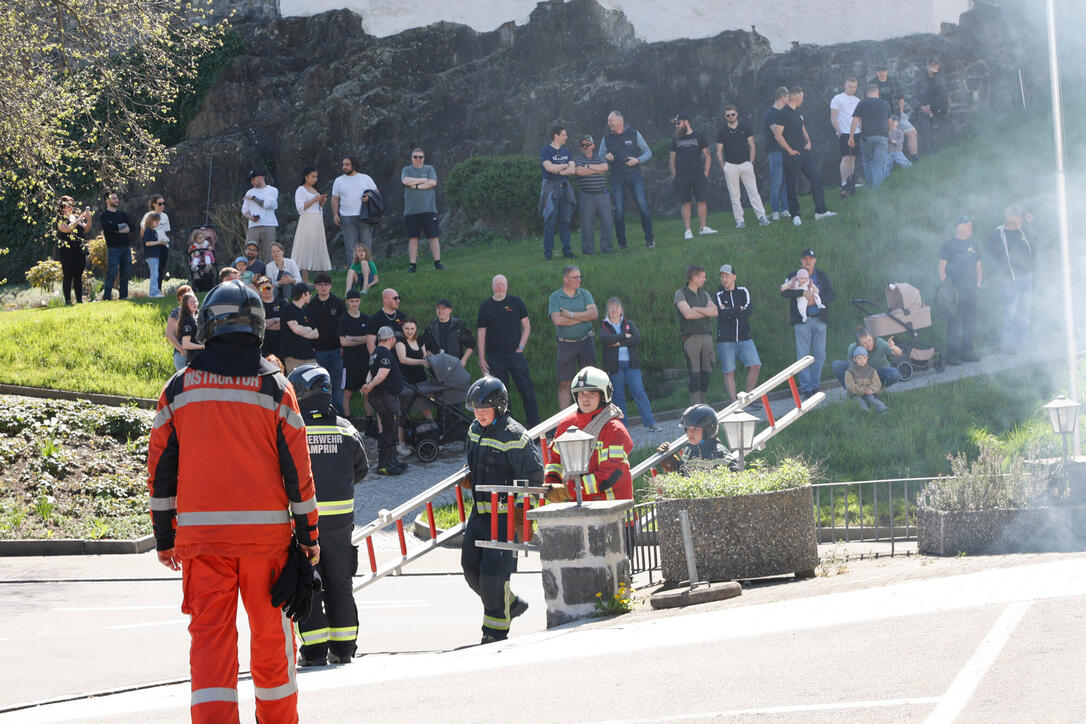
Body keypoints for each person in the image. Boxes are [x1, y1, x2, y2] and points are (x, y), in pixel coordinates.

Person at [147, 280, 320, 724]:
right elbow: (298, 474)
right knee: (272, 645)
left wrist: (165, 538)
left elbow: (161, 471)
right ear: (258, 328)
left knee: (210, 646)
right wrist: (309, 537)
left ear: (208, 325)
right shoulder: (276, 387)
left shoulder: (179, 388)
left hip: (203, 543)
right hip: (267, 545)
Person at [288, 364, 369, 667]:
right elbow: (362, 469)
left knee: (309, 585)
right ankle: (344, 648)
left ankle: (314, 652)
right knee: (340, 585)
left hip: (305, 525)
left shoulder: (293, 429)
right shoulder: (346, 428)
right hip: (340, 525)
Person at [460, 376, 543, 644]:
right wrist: (470, 475)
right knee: (471, 570)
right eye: (475, 408)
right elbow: (473, 461)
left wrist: (520, 516)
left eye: (484, 408)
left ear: (499, 406)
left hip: (505, 518)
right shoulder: (474, 430)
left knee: (493, 577)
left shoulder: (516, 436)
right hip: (479, 514)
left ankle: (494, 632)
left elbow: (533, 477)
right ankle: (511, 604)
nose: (479, 413)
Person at [544, 366, 633, 502]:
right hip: (576, 506)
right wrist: (552, 483)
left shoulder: (614, 430)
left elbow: (611, 474)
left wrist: (569, 489)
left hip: (612, 508)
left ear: (603, 396)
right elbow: (556, 461)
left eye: (592, 393)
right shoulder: (566, 425)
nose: (585, 399)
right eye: (581, 393)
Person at [477, 274, 539, 427]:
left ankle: (535, 424)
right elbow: (481, 333)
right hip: (494, 357)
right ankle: (507, 425)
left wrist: (521, 347)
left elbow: (526, 326)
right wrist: (482, 358)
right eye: (497, 284)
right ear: (492, 286)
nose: (499, 287)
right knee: (501, 393)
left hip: (515, 355)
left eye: (502, 284)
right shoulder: (485, 306)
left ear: (507, 286)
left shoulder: (516, 302)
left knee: (526, 389)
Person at [771, 87, 836, 227]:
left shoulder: (797, 112)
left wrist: (809, 141)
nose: (803, 99)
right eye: (801, 97)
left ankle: (821, 211)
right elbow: (777, 135)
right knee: (792, 185)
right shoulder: (783, 113)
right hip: (791, 156)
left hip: (805, 153)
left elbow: (803, 128)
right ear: (795, 97)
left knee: (816, 178)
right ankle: (795, 215)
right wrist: (789, 150)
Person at [600, 297, 660, 432]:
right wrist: (624, 336)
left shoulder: (629, 323)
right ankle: (622, 427)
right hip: (615, 366)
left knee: (639, 392)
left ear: (621, 310)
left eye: (617, 307)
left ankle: (650, 422)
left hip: (631, 364)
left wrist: (618, 343)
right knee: (618, 396)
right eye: (611, 308)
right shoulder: (604, 325)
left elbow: (637, 338)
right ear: (608, 310)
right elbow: (605, 340)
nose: (614, 310)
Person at [782, 248, 835, 398]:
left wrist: (816, 298)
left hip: (819, 319)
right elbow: (784, 292)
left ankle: (814, 386)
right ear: (801, 260)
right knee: (803, 355)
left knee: (820, 354)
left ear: (815, 260)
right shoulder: (793, 275)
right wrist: (802, 293)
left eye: (810, 259)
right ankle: (806, 388)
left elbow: (831, 294)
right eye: (805, 258)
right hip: (802, 321)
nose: (807, 261)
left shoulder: (821, 276)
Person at [599, 110, 654, 249]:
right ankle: (622, 244)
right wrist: (606, 157)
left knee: (642, 207)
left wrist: (637, 160)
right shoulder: (606, 138)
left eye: (611, 120)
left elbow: (648, 152)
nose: (609, 123)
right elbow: (600, 156)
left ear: (620, 120)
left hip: (635, 175)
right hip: (616, 177)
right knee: (619, 210)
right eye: (608, 121)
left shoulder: (634, 134)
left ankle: (650, 240)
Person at [549, 265, 598, 408]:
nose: (579, 279)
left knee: (590, 381)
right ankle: (565, 417)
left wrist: (570, 315)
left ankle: (592, 413)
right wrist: (583, 318)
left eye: (580, 276)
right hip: (566, 344)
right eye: (575, 277)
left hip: (586, 342)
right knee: (565, 383)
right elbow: (557, 321)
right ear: (566, 279)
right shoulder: (555, 297)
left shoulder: (585, 294)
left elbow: (594, 314)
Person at [985, 206, 1033, 354]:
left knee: (1024, 314)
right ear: (1008, 217)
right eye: (1017, 217)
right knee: (1009, 314)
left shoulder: (1022, 231)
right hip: (1009, 280)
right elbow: (991, 259)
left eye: (1021, 217)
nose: (1020, 219)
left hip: (1026, 278)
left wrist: (1031, 223)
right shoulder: (997, 234)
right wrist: (1001, 277)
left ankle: (1023, 342)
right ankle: (1008, 345)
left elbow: (1037, 240)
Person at [715, 105, 769, 229]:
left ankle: (762, 217)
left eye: (732, 114)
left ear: (737, 114)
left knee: (753, 192)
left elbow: (752, 145)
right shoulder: (722, 132)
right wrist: (723, 166)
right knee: (734, 196)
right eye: (728, 115)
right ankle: (739, 220)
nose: (731, 117)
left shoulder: (745, 128)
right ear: (725, 117)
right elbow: (719, 151)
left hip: (746, 164)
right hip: (730, 166)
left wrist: (751, 162)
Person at [714, 264, 761, 406]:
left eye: (727, 276)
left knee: (755, 365)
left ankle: (747, 398)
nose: (724, 279)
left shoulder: (743, 291)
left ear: (734, 277)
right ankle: (734, 404)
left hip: (744, 337)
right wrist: (737, 309)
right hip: (725, 339)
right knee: (729, 371)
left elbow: (748, 310)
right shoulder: (718, 295)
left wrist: (730, 310)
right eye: (722, 277)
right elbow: (721, 313)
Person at [362, 326, 406, 475]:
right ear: (391, 339)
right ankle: (385, 465)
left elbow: (370, 372)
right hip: (386, 397)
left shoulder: (374, 353)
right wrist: (370, 386)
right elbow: (381, 374)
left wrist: (368, 384)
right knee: (389, 431)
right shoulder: (385, 353)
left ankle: (392, 461)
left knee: (390, 429)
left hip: (381, 397)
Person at [938, 215, 982, 364]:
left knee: (970, 322)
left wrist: (978, 284)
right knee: (954, 322)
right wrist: (946, 288)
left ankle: (967, 352)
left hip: (971, 290)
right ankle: (953, 355)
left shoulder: (974, 245)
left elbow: (979, 267)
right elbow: (941, 268)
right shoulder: (948, 245)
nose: (970, 228)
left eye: (971, 225)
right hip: (954, 290)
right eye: (968, 225)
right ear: (959, 228)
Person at [674, 265, 718, 404]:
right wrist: (705, 312)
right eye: (702, 277)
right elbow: (687, 314)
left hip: (707, 337)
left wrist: (697, 309)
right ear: (694, 278)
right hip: (691, 338)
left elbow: (715, 311)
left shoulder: (705, 294)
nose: (705, 279)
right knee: (694, 374)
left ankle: (703, 403)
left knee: (706, 372)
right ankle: (695, 405)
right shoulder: (681, 293)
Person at [670, 112, 716, 238]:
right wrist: (675, 175)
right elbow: (672, 159)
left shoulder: (699, 136)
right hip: (682, 177)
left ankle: (703, 227)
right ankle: (688, 230)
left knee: (702, 200)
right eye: (675, 124)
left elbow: (707, 156)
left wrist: (706, 173)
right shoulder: (675, 139)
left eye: (678, 123)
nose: (676, 126)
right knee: (685, 203)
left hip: (698, 175)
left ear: (686, 122)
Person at [308, 272, 346, 415]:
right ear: (316, 286)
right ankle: (322, 414)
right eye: (320, 284)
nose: (323, 287)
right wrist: (311, 346)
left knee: (336, 386)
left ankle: (339, 415)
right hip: (318, 350)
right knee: (320, 385)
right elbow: (309, 327)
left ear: (330, 286)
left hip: (336, 350)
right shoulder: (311, 305)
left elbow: (344, 326)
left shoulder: (338, 303)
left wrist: (342, 345)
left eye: (326, 284)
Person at [395, 318, 434, 457]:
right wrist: (422, 362)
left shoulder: (420, 340)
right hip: (406, 381)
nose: (409, 331)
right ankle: (401, 444)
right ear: (402, 328)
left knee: (426, 408)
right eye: (407, 328)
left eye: (412, 328)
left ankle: (432, 437)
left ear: (416, 328)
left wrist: (429, 360)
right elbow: (403, 359)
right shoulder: (400, 342)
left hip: (421, 379)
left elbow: (424, 356)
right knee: (404, 412)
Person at [401, 148, 444, 272]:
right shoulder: (406, 170)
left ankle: (438, 263)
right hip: (411, 211)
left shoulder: (429, 169)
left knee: (433, 236)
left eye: (420, 157)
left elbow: (433, 183)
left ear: (424, 158)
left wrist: (415, 186)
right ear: (412, 158)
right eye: (415, 157)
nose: (418, 159)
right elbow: (405, 181)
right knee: (413, 238)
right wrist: (423, 180)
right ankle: (412, 265)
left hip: (429, 209)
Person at [331, 156, 378, 266]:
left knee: (366, 247)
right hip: (346, 217)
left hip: (364, 216)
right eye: (343, 164)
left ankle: (368, 272)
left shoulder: (365, 178)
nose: (344, 167)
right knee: (350, 248)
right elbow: (335, 199)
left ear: (354, 165)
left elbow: (376, 193)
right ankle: (353, 273)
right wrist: (335, 214)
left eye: (347, 164)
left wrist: (368, 197)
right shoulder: (338, 181)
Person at [540, 125, 577, 260]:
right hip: (551, 189)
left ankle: (567, 251)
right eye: (564, 135)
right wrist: (564, 166)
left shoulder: (566, 151)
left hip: (564, 188)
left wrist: (559, 171)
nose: (566, 137)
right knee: (550, 222)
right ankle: (548, 254)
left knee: (565, 221)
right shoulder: (546, 151)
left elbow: (573, 170)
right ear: (556, 136)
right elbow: (549, 168)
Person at [656, 403, 728, 473]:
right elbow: (684, 474)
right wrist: (669, 459)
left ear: (708, 430)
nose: (690, 433)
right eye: (688, 429)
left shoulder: (721, 454)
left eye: (695, 429)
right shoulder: (689, 450)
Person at [573, 134, 613, 255]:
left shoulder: (600, 157)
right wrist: (597, 170)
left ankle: (607, 249)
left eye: (587, 144)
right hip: (586, 195)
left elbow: (605, 167)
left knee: (607, 222)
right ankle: (588, 251)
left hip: (602, 195)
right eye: (582, 145)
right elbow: (579, 171)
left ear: (593, 146)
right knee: (587, 224)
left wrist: (588, 167)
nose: (585, 147)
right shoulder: (577, 159)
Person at [848, 83, 892, 191]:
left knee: (867, 161)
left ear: (867, 93)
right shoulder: (885, 104)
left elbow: (855, 122)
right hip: (882, 136)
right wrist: (888, 133)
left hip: (866, 137)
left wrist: (851, 137)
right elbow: (889, 121)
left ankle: (870, 185)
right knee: (878, 164)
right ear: (877, 92)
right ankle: (877, 189)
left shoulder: (862, 103)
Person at [292, 166, 331, 283]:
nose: (315, 179)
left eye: (316, 177)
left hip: (317, 220)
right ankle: (305, 279)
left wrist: (321, 202)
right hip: (307, 220)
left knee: (318, 245)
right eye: (313, 176)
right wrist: (315, 199)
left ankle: (321, 279)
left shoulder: (315, 189)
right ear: (306, 177)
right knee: (306, 246)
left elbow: (317, 207)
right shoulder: (301, 190)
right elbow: (300, 207)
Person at [831, 328, 903, 388]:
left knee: (895, 374)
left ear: (872, 338)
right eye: (865, 343)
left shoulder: (880, 343)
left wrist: (893, 347)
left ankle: (876, 390)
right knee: (836, 365)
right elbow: (851, 368)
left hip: (878, 372)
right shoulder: (852, 348)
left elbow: (899, 353)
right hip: (861, 374)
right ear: (859, 344)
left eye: (869, 340)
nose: (869, 344)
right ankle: (852, 391)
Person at [338, 288, 369, 419]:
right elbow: (343, 342)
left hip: (365, 361)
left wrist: (353, 338)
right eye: (352, 301)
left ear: (360, 301)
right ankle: (348, 419)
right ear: (347, 302)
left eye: (356, 301)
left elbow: (370, 339)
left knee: (367, 392)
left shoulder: (366, 318)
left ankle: (369, 421)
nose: (354, 304)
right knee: (348, 393)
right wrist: (362, 339)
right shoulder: (343, 319)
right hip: (349, 362)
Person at [98, 191, 133, 301]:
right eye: (113, 198)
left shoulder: (122, 214)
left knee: (126, 273)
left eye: (117, 198)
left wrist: (117, 228)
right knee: (112, 273)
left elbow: (132, 227)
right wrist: (122, 227)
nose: (116, 200)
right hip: (113, 249)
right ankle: (107, 298)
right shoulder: (104, 216)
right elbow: (110, 228)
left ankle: (124, 296)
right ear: (107, 201)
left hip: (126, 248)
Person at [56, 196, 91, 305]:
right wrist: (79, 219)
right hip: (67, 251)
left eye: (72, 205)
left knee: (78, 275)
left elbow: (86, 229)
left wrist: (89, 219)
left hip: (79, 249)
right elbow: (66, 229)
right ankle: (68, 301)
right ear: (62, 206)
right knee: (68, 275)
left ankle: (79, 300)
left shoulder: (75, 216)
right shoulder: (59, 219)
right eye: (69, 205)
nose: (71, 207)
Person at [830, 78, 861, 197]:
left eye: (854, 87)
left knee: (853, 158)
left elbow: (859, 117)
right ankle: (844, 182)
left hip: (856, 132)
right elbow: (833, 117)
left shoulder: (857, 100)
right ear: (845, 85)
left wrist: (861, 129)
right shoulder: (837, 98)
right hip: (844, 132)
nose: (852, 89)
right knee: (846, 158)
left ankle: (851, 181)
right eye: (850, 86)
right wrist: (839, 132)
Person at [763, 87, 791, 221]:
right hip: (775, 151)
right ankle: (775, 210)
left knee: (786, 181)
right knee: (776, 182)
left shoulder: (786, 112)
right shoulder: (771, 114)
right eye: (787, 97)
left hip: (786, 151)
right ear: (783, 97)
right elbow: (777, 133)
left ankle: (785, 209)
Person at [421, 298, 474, 368]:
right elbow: (425, 348)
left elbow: (470, 344)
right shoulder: (430, 328)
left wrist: (463, 360)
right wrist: (434, 358)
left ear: (450, 310)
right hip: (436, 367)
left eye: (444, 308)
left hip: (455, 365)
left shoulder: (458, 326)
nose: (440, 311)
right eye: (438, 308)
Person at [281, 283, 319, 373]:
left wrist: (301, 330)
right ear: (303, 294)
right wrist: (308, 329)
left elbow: (316, 334)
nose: (311, 295)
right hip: (293, 357)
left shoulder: (307, 310)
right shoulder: (288, 309)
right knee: (295, 381)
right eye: (309, 293)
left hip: (310, 357)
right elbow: (296, 330)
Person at [242, 170, 279, 261]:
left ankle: (269, 270)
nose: (252, 182)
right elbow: (244, 210)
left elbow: (267, 204)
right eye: (251, 180)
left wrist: (253, 198)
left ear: (261, 178)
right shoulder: (249, 192)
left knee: (269, 252)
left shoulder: (272, 190)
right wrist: (251, 218)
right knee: (249, 251)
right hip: (253, 226)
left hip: (268, 224)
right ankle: (249, 270)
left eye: (253, 179)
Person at [914, 58, 948, 156]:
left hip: (937, 110)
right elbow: (913, 98)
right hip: (924, 110)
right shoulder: (920, 80)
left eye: (936, 65)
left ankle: (939, 150)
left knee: (938, 129)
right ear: (927, 66)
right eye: (932, 64)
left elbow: (944, 96)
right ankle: (930, 151)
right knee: (927, 129)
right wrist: (921, 107)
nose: (934, 67)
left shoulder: (940, 80)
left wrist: (941, 110)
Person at [141, 195, 172, 298]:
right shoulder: (148, 216)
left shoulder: (165, 216)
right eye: (160, 203)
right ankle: (153, 292)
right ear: (154, 204)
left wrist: (164, 241)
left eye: (163, 203)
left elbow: (166, 231)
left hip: (163, 245)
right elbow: (143, 230)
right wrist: (148, 243)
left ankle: (158, 290)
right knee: (155, 270)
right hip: (153, 246)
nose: (162, 205)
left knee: (160, 269)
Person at [845, 346, 889, 412]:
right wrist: (862, 390)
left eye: (864, 358)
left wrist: (871, 389)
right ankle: (865, 411)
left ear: (867, 358)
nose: (862, 360)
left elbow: (877, 382)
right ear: (854, 359)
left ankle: (883, 409)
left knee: (872, 399)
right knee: (859, 401)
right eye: (859, 358)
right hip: (855, 393)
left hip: (868, 392)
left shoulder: (871, 370)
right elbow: (850, 385)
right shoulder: (850, 371)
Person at [365, 288, 407, 353]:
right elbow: (370, 344)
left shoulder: (403, 317)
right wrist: (376, 357)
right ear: (385, 300)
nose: (398, 300)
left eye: (399, 298)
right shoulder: (375, 318)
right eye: (395, 298)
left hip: (402, 356)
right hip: (384, 356)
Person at [165, 284, 195, 370]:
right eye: (187, 295)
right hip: (183, 356)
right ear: (180, 298)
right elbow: (168, 334)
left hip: (196, 354)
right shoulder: (177, 312)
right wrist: (182, 350)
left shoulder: (197, 312)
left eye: (192, 294)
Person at [257, 275, 284, 360]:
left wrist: (265, 324)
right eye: (262, 289)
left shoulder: (282, 303)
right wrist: (275, 319)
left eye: (268, 288)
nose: (266, 291)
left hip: (281, 346)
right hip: (263, 347)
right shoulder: (256, 306)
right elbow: (257, 326)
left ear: (272, 287)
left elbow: (284, 324)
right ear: (258, 290)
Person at [177, 292, 204, 364]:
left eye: (195, 301)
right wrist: (203, 346)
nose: (194, 303)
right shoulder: (187, 321)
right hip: (194, 360)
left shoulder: (197, 317)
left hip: (200, 358)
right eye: (191, 302)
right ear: (186, 305)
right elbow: (186, 344)